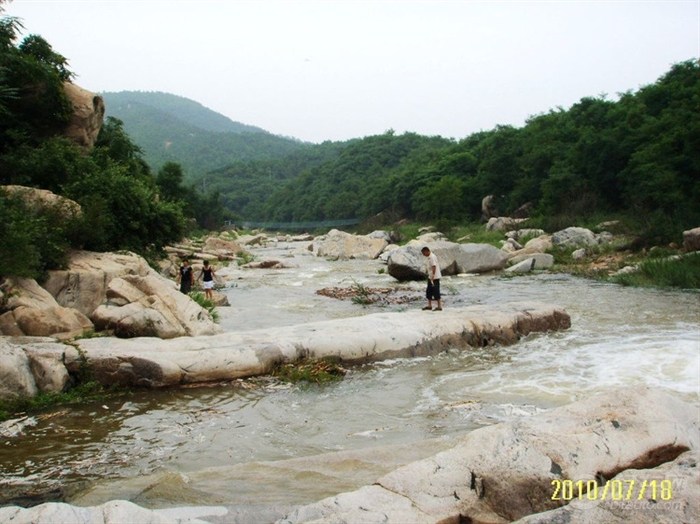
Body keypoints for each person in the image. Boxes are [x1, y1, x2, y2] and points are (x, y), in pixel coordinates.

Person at [421, 246, 442, 311]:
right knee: (429, 291)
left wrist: (433, 276)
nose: (423, 255)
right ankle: (429, 305)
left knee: (436, 291)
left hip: (435, 277)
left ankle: (439, 306)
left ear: (426, 251)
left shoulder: (432, 257)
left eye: (424, 253)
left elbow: (434, 267)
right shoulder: (428, 257)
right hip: (430, 277)